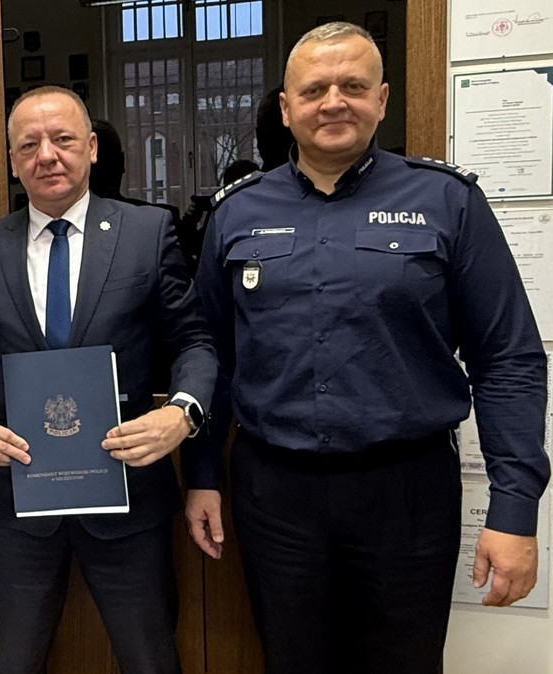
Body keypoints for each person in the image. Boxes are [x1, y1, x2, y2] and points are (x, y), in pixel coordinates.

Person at [190, 22, 549, 674]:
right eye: (314, 90)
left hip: (406, 493)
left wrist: (514, 507)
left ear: (381, 99)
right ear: (286, 108)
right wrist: (201, 474)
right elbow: (210, 353)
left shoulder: (446, 201)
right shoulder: (236, 213)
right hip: (275, 494)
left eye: (352, 86)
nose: (333, 102)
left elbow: (508, 359)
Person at [0, 85, 217, 673]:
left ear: (91, 148)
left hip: (128, 497)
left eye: (63, 139)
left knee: (150, 660)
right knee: (17, 662)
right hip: (22, 502)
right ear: (13, 161)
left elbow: (194, 342)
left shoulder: (147, 232)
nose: (47, 155)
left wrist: (182, 412)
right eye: (29, 145)